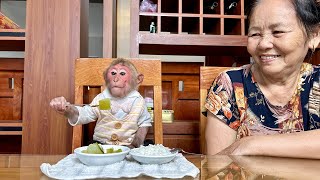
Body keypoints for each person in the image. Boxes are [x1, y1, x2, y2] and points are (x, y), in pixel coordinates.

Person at [205, 0, 320, 159]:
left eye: (278, 31)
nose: (264, 44)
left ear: (314, 36)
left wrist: (250, 145)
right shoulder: (230, 86)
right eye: (255, 34)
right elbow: (217, 167)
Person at [50, 58, 152, 148]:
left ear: (138, 80)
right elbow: (84, 114)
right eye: (113, 73)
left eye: (122, 73)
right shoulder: (103, 99)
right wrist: (68, 110)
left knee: (148, 146)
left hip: (128, 146)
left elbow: (144, 123)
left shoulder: (138, 102)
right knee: (90, 147)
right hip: (102, 146)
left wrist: (134, 145)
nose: (116, 79)